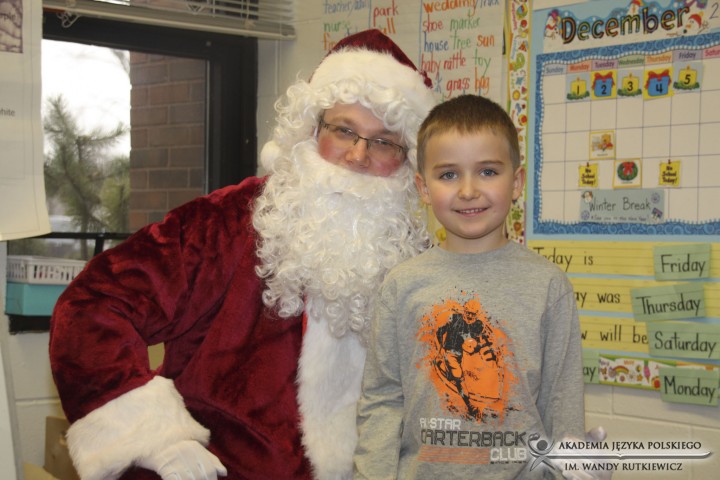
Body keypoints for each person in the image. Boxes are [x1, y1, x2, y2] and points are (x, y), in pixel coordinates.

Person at [49, 29, 437, 480]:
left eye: (384, 141)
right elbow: (92, 306)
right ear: (312, 129)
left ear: (407, 160)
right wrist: (153, 439)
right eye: (344, 130)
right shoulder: (229, 222)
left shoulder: (416, 256)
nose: (357, 155)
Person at [354, 94, 586, 479]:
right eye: (448, 175)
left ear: (516, 182)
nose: (467, 190)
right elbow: (382, 401)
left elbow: (563, 406)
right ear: (423, 188)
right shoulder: (401, 285)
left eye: (488, 171)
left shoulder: (549, 285)